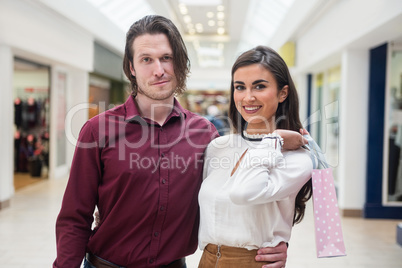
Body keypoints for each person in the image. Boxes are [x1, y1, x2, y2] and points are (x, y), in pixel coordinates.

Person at [53, 16, 298, 268]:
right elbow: (74, 217)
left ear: (179, 63)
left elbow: (234, 200)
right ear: (131, 68)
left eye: (166, 58)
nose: (159, 70)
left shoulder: (205, 135)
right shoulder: (98, 131)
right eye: (146, 59)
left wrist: (275, 243)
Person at [198, 46, 313, 267]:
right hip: (207, 260)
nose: (248, 97)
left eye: (259, 86)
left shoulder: (297, 158)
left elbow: (243, 192)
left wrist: (274, 139)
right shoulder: (218, 147)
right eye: (240, 87)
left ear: (283, 93)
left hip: (253, 261)